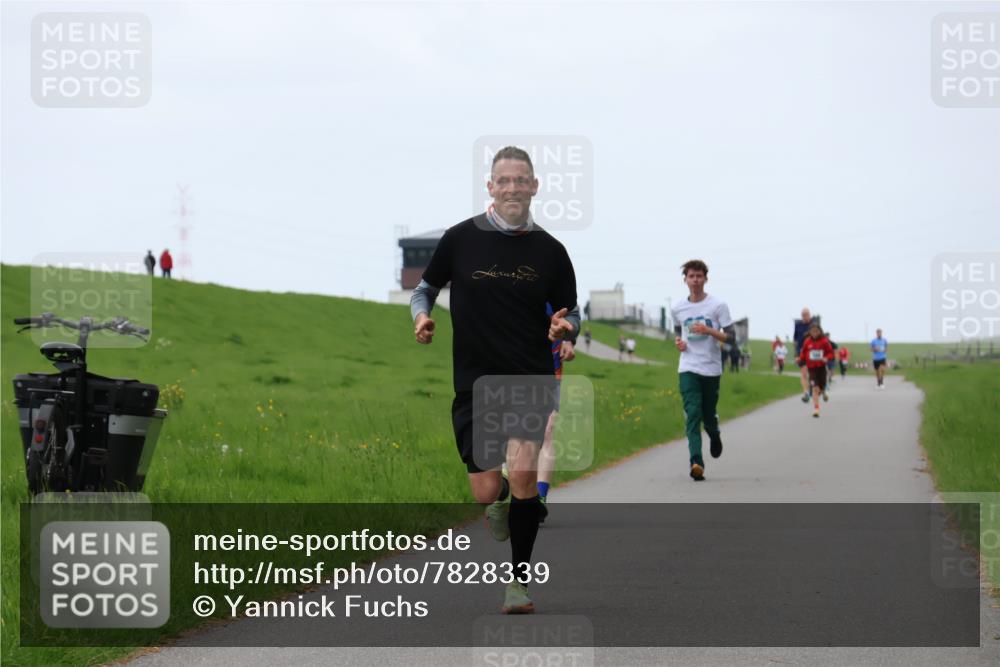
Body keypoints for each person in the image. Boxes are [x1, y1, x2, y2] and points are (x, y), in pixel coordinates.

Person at [410, 146, 579, 615]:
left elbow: (573, 312)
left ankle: (518, 583)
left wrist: (566, 328)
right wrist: (421, 317)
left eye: (521, 180)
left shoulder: (551, 251)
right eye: (503, 180)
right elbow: (425, 289)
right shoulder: (460, 239)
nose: (512, 188)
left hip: (530, 377)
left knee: (524, 475)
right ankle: (499, 499)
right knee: (486, 490)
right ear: (490, 186)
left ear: (534, 186)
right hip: (474, 381)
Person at [671, 259, 735, 481]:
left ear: (706, 279)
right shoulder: (677, 308)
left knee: (708, 415)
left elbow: (731, 337)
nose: (695, 280)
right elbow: (678, 331)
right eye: (691, 276)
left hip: (711, 368)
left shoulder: (718, 306)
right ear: (685, 280)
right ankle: (696, 462)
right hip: (688, 366)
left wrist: (709, 330)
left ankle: (714, 435)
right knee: (692, 413)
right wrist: (678, 342)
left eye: (699, 276)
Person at [537, 308, 576, 524]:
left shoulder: (555, 287)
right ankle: (511, 492)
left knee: (547, 429)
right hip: (512, 360)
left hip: (550, 363)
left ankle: (540, 497)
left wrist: (570, 339)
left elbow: (572, 311)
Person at [798, 322, 835, 417]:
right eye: (812, 331)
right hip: (812, 369)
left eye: (816, 331)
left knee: (821, 387)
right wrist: (799, 358)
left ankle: (823, 392)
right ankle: (816, 409)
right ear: (810, 332)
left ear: (820, 331)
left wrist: (826, 358)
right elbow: (803, 353)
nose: (814, 333)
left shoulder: (824, 341)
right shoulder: (807, 341)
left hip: (821, 368)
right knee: (815, 388)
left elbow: (831, 353)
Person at [793, 308, 820, 403]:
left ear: (809, 315)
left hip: (813, 351)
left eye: (806, 315)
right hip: (802, 352)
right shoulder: (798, 325)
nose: (805, 317)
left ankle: (813, 387)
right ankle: (806, 393)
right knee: (804, 373)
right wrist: (796, 353)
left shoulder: (814, 324)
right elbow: (795, 340)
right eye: (803, 315)